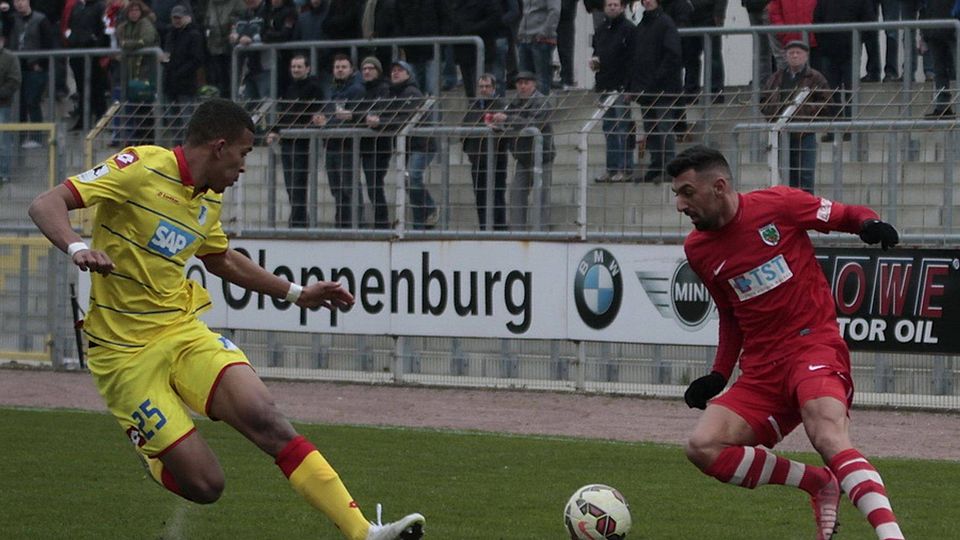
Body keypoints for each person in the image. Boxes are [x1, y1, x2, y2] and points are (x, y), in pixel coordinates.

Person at [27, 98, 426, 540]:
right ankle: (154, 451)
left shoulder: (206, 202)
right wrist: (78, 248)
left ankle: (364, 532)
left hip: (181, 331)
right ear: (219, 147)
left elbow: (223, 261)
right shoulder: (139, 166)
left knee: (265, 417)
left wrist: (297, 293)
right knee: (205, 485)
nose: (244, 168)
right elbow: (47, 203)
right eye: (244, 154)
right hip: (122, 355)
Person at [666, 145, 904, 540]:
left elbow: (845, 215)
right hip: (761, 370)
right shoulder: (698, 249)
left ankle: (891, 535)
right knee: (702, 446)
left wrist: (869, 224)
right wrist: (719, 374)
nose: (679, 204)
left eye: (687, 192)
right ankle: (816, 482)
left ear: (719, 186)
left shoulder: (778, 205)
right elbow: (731, 314)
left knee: (827, 434)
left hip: (813, 347)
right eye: (676, 194)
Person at [366, 60, 438, 229]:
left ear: (408, 74)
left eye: (399, 70)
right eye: (393, 71)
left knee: (413, 178)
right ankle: (421, 223)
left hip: (422, 145)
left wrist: (380, 122)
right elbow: (386, 115)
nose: (395, 73)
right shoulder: (392, 94)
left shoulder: (412, 92)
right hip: (406, 146)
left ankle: (429, 208)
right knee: (408, 182)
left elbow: (404, 119)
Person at [760, 40, 833, 193]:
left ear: (806, 56)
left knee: (805, 174)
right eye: (791, 53)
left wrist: (807, 113)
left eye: (798, 53)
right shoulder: (776, 78)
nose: (794, 56)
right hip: (781, 133)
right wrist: (773, 116)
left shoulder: (815, 77)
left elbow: (827, 102)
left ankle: (808, 207)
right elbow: (763, 100)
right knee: (786, 174)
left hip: (804, 133)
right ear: (785, 56)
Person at [266, 54, 325, 228]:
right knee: (290, 183)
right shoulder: (289, 88)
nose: (296, 70)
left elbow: (302, 112)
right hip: (288, 141)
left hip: (303, 142)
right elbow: (286, 113)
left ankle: (299, 221)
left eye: (299, 67)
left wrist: (281, 128)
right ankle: (298, 218)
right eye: (294, 67)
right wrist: (276, 129)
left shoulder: (314, 88)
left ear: (307, 68)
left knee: (298, 182)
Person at [491, 70, 555, 230]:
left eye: (526, 83)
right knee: (516, 194)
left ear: (534, 84)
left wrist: (508, 120)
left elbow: (533, 124)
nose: (523, 86)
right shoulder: (513, 103)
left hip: (542, 157)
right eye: (520, 83)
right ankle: (517, 232)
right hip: (522, 157)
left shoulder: (542, 102)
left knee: (541, 198)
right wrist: (498, 124)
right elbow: (509, 123)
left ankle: (541, 232)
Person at [629, 0, 681, 184]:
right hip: (646, 89)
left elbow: (672, 55)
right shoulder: (643, 24)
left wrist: (657, 77)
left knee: (664, 128)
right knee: (651, 129)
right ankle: (656, 165)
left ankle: (670, 167)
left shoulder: (666, 23)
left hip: (664, 89)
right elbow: (637, 57)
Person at [312, 53, 365, 229]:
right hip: (331, 145)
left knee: (350, 187)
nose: (340, 70)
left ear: (351, 69)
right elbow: (331, 113)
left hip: (347, 145)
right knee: (337, 188)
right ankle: (342, 222)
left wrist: (329, 122)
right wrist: (321, 120)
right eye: (337, 67)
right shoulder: (332, 90)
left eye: (343, 67)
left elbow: (353, 116)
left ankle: (356, 223)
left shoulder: (356, 90)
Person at [590, 0, 636, 183]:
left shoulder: (629, 29)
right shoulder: (601, 29)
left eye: (616, 4)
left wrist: (628, 86)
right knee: (608, 127)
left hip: (621, 87)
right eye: (609, 4)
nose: (612, 7)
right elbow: (597, 53)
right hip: (605, 86)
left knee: (623, 127)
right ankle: (611, 168)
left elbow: (633, 59)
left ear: (623, 7)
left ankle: (625, 168)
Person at [461, 73, 508, 230]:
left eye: (487, 86)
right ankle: (484, 227)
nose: (484, 89)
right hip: (477, 157)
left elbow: (505, 129)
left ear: (494, 88)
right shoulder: (474, 105)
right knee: (480, 195)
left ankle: (499, 228)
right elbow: (464, 127)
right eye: (481, 86)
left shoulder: (500, 104)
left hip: (496, 157)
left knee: (497, 194)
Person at [10, 0, 55, 147]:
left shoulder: (40, 19)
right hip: (17, 67)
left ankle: (36, 137)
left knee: (32, 101)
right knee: (19, 103)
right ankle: (20, 137)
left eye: (22, 1)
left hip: (35, 68)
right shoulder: (12, 19)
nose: (19, 4)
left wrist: (40, 64)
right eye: (16, 1)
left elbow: (49, 44)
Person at [356, 56, 392, 229]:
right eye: (364, 69)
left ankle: (382, 221)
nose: (367, 71)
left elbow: (379, 111)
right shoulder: (360, 90)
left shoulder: (384, 89)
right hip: (363, 144)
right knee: (370, 185)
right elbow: (358, 112)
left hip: (380, 145)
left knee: (374, 184)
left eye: (371, 68)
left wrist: (364, 116)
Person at [516, 0, 561, 96]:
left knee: (541, 78)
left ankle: (541, 107)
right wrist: (520, 31)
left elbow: (555, 12)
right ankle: (525, 108)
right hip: (525, 38)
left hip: (542, 40)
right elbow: (526, 12)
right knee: (524, 78)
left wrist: (543, 33)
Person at [0, 34, 20, 185]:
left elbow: (14, 80)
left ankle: (4, 173)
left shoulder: (10, 58)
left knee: (3, 141)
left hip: (3, 105)